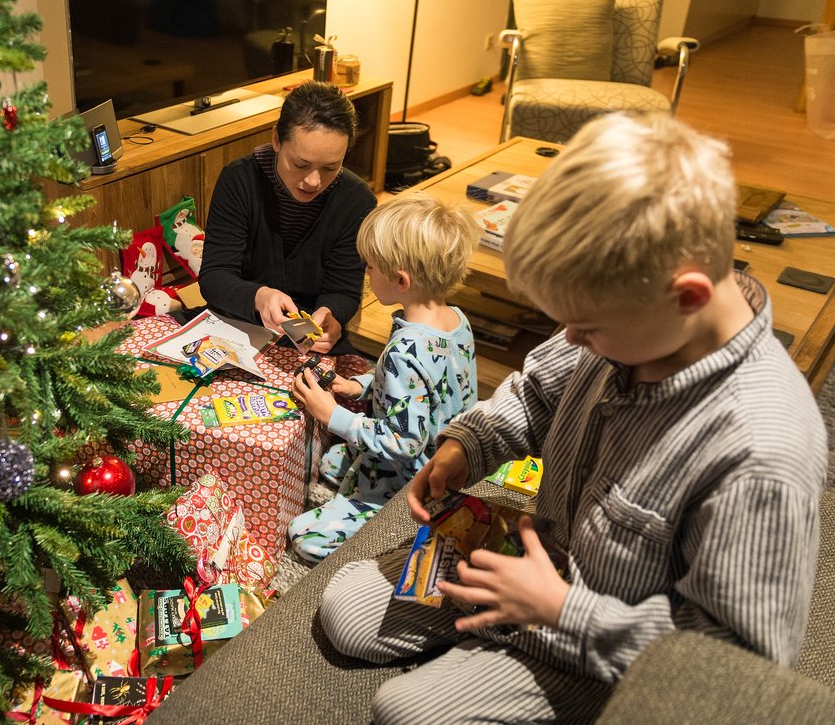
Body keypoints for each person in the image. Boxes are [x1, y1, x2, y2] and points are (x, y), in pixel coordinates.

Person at [318, 112, 828, 723]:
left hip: (603, 635)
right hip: (546, 554)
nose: (574, 342)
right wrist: (467, 444)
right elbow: (534, 392)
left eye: (586, 327)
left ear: (687, 296)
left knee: (405, 713)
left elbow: (734, 666)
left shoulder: (760, 452)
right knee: (345, 608)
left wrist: (562, 611)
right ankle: (487, 638)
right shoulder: (628, 319)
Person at [287, 193, 480, 563]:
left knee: (304, 536)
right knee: (332, 461)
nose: (366, 273)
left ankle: (401, 532)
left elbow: (403, 443)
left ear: (401, 280)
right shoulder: (455, 319)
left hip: (413, 482)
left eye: (370, 266)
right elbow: (426, 386)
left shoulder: (404, 350)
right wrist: (361, 385)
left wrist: (332, 415)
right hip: (446, 459)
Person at [199, 80, 377, 354]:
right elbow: (214, 276)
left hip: (310, 340)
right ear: (276, 140)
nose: (313, 181)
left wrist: (331, 315)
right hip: (240, 321)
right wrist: (258, 296)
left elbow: (344, 290)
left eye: (331, 167)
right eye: (300, 164)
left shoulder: (356, 199)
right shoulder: (240, 180)